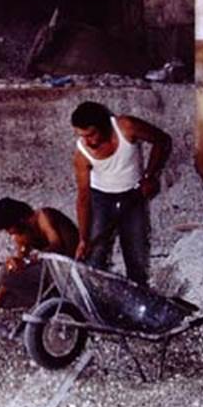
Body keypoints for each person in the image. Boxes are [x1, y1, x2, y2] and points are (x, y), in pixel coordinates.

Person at [71, 101, 171, 286]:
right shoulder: (82, 154)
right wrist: (83, 239)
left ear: (104, 126)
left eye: (91, 134)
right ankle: (98, 301)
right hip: (101, 198)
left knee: (136, 254)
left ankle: (137, 300)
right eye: (81, 136)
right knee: (95, 254)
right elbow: (83, 198)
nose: (87, 141)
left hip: (133, 195)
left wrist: (150, 176)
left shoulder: (126, 127)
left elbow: (162, 140)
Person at [0, 197, 79, 314]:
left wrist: (28, 261)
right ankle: (48, 302)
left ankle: (54, 302)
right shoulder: (21, 235)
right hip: (54, 271)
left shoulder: (43, 217)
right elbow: (18, 267)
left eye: (8, 227)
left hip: (72, 265)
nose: (9, 232)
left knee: (7, 272)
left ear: (19, 219)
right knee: (3, 273)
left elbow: (57, 245)